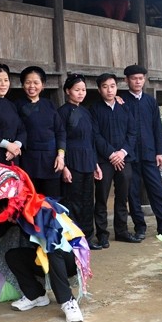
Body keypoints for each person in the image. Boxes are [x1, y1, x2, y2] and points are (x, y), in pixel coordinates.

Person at [121, 64, 162, 240]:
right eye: (133, 78)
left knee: (156, 190)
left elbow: (157, 127)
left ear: (144, 80)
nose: (137, 81)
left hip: (150, 153)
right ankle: (139, 227)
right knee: (133, 192)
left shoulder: (150, 101)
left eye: (140, 78)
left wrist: (160, 152)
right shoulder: (121, 101)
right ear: (126, 80)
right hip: (130, 155)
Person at [90, 73, 139, 246]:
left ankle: (122, 231)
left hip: (124, 158)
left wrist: (122, 153)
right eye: (105, 86)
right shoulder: (94, 109)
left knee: (122, 196)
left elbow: (132, 132)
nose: (109, 90)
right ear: (99, 89)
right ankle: (102, 234)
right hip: (104, 160)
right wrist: (112, 154)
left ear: (116, 88)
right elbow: (95, 135)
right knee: (102, 196)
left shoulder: (124, 107)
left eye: (112, 86)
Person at [59, 74, 103, 249]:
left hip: (87, 161)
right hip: (71, 161)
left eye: (83, 90)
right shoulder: (62, 112)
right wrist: (64, 167)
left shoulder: (86, 112)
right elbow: (60, 140)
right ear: (68, 91)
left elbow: (91, 140)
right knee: (72, 201)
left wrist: (95, 164)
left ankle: (88, 238)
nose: (80, 93)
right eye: (77, 90)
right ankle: (74, 239)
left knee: (87, 201)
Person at [15, 66, 66, 197]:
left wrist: (60, 155)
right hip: (28, 160)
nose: (32, 86)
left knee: (51, 202)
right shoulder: (16, 106)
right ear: (22, 85)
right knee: (30, 200)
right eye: (28, 82)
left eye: (36, 82)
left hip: (51, 161)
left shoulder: (49, 105)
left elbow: (60, 131)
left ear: (43, 85)